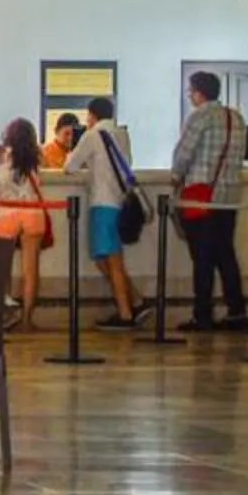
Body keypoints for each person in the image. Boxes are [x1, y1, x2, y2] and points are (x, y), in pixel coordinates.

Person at [173, 70, 248, 332]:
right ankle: (237, 312)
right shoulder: (236, 117)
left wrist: (175, 177)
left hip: (201, 196)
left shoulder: (199, 116)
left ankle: (202, 314)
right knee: (225, 254)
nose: (190, 96)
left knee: (202, 258)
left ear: (198, 92)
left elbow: (183, 154)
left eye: (190, 91)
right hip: (229, 196)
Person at [60, 96, 146, 326]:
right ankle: (135, 301)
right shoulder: (122, 134)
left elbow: (69, 167)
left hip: (103, 201)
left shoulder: (93, 134)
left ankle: (126, 313)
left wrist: (76, 146)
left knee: (111, 260)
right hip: (120, 200)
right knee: (103, 258)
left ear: (92, 115)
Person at [0, 117, 52, 329]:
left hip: (7, 211)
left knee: (2, 268)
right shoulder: (36, 155)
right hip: (33, 212)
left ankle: (6, 312)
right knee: (31, 270)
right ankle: (27, 319)